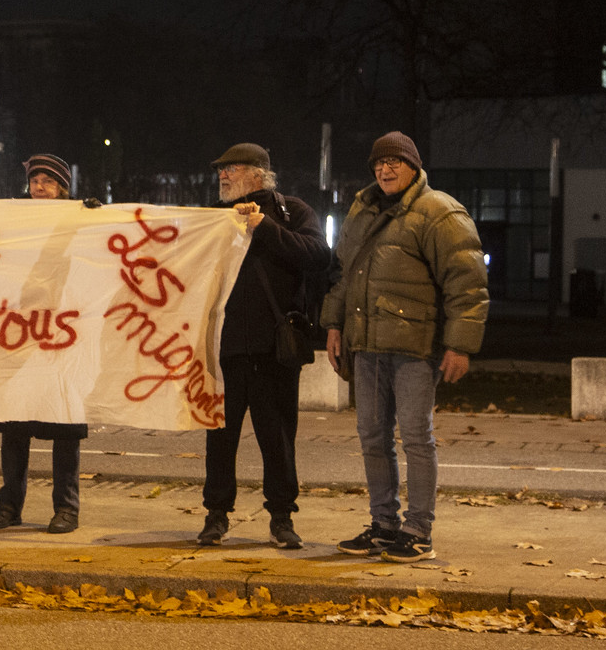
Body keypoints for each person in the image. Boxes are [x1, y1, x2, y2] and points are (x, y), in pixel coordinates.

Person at [322, 132, 489, 564]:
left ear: (413, 166)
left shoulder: (439, 211)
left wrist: (459, 345)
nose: (385, 169)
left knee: (416, 437)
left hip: (416, 347)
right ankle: (383, 526)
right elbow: (343, 273)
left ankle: (418, 531)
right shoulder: (362, 208)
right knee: (372, 437)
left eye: (394, 162)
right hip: (367, 344)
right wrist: (334, 325)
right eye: (379, 163)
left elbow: (468, 285)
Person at [197, 143, 331, 551]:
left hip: (275, 350)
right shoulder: (214, 217)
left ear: (258, 174)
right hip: (225, 348)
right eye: (221, 170)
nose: (223, 176)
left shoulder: (291, 212)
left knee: (278, 438)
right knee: (220, 439)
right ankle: (216, 515)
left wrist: (265, 228)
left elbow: (318, 255)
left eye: (231, 169)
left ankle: (281, 517)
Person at [0, 154, 91, 534]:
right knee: (15, 424)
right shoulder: (14, 221)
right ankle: (9, 505)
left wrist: (98, 220)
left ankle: (66, 508)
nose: (39, 187)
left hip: (64, 334)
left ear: (63, 188)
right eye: (35, 181)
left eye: (48, 181)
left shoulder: (79, 222)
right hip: (21, 333)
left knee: (65, 425)